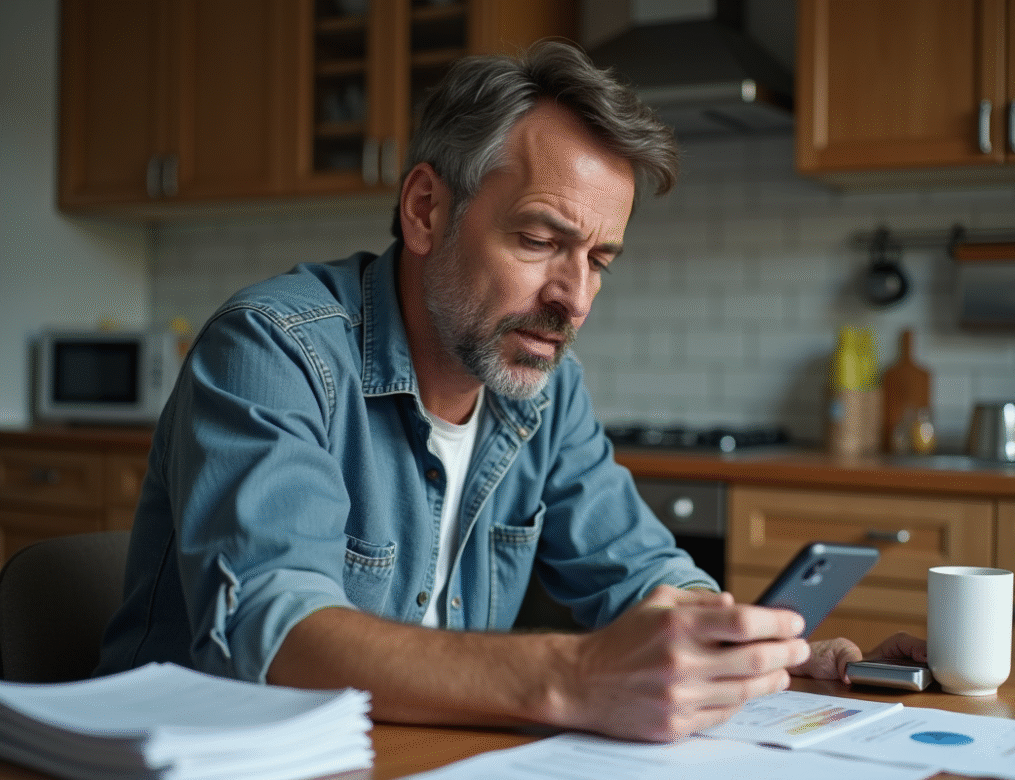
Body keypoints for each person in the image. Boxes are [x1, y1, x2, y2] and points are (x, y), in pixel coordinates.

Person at [96, 41, 925, 742]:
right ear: (425, 210)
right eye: (539, 239)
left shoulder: (544, 394)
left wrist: (749, 648)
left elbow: (644, 574)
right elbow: (276, 640)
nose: (576, 298)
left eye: (599, 259)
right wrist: (571, 674)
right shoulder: (275, 351)